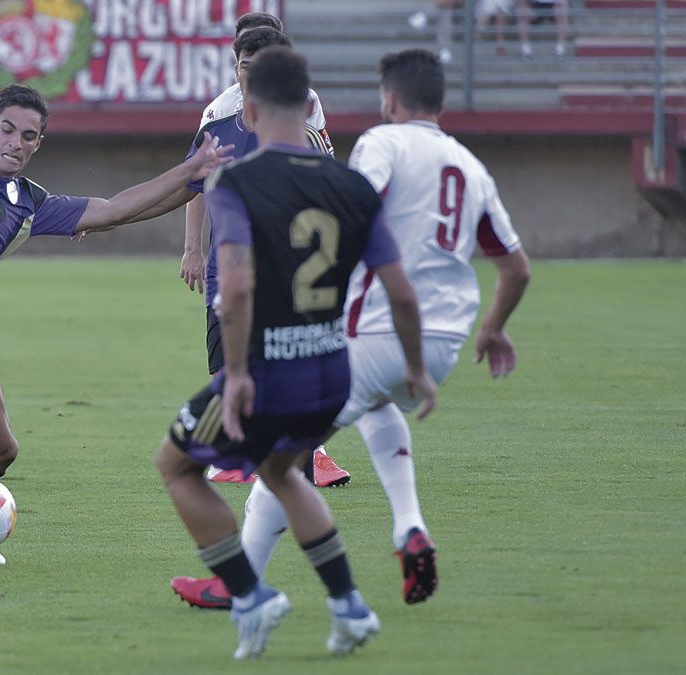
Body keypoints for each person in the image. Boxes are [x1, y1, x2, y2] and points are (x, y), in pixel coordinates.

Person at [171, 48, 531, 611]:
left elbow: (342, 202)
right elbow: (516, 266)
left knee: (282, 463)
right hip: (443, 342)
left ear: (389, 98)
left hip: (378, 324)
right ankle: (409, 525)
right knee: (378, 407)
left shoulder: (381, 145)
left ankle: (236, 587)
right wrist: (494, 330)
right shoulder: (470, 165)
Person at [0, 84, 233, 565]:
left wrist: (191, 174)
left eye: (28, 136)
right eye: (8, 129)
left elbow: (117, 208)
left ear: (38, 144)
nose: (15, 142)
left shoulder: (30, 203)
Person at [156, 47, 435, 660]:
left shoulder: (238, 182)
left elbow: (235, 287)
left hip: (265, 374)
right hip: (332, 375)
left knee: (175, 465)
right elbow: (401, 295)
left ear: (248, 110)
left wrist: (234, 375)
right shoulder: (350, 184)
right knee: (282, 471)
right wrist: (414, 369)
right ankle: (349, 607)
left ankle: (250, 594)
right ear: (310, 107)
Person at [182, 19, 349, 488]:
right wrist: (192, 247)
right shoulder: (218, 115)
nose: (248, 74)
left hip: (285, 260)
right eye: (243, 65)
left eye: (260, 64)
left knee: (286, 357)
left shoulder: (305, 106)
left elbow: (322, 174)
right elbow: (194, 183)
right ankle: (241, 451)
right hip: (228, 258)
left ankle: (309, 453)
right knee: (226, 360)